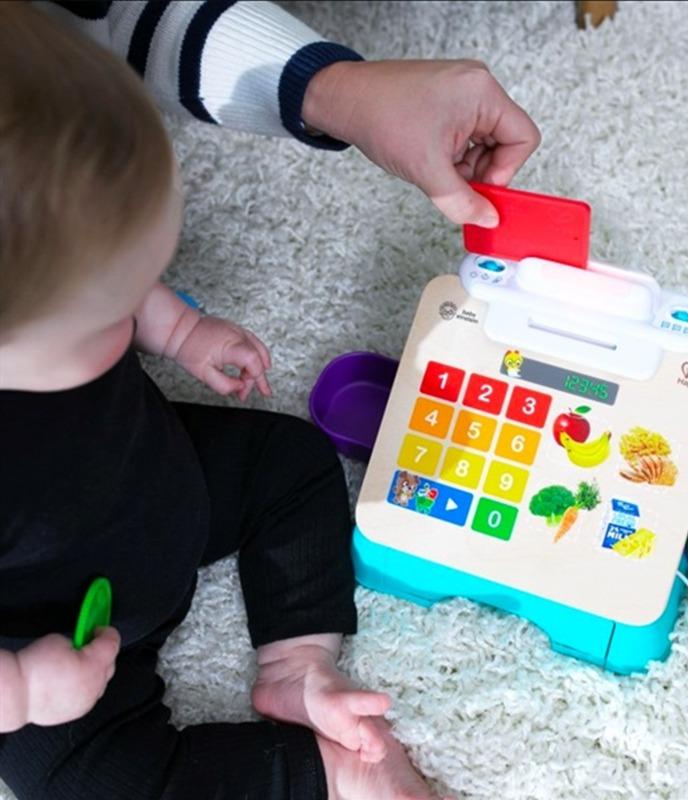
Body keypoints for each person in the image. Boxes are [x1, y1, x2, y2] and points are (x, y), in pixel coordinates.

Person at [0, 2, 540, 798]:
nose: (134, 301)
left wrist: (177, 327)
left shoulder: (56, 272)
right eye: (111, 311)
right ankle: (326, 773)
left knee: (289, 459)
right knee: (96, 784)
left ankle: (295, 666)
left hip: (156, 481)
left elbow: (108, 269)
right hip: (49, 627)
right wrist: (23, 686)